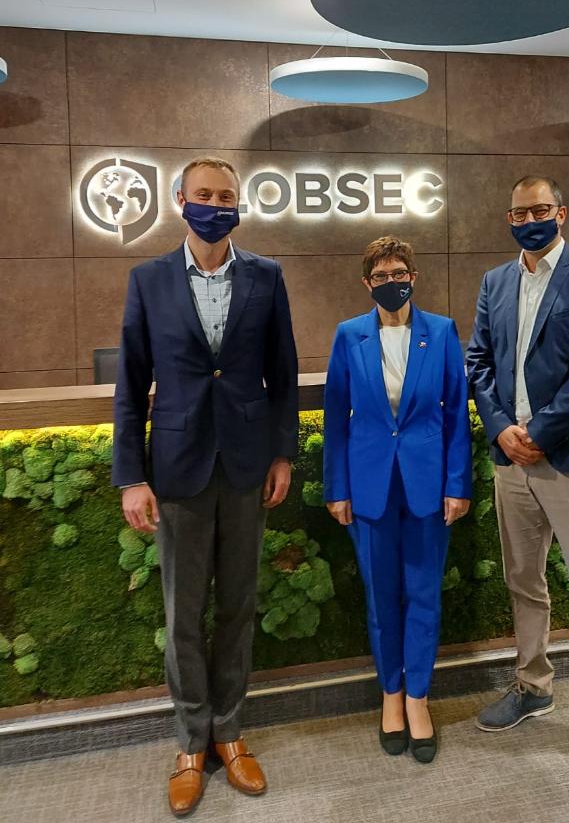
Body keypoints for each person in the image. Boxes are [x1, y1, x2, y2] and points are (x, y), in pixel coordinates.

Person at [112, 157, 298, 818]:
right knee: (183, 612)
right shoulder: (149, 280)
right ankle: (191, 741)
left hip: (246, 467)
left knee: (239, 607)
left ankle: (230, 732)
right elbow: (131, 383)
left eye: (225, 196)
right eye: (204, 195)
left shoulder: (267, 277)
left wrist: (283, 454)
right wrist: (131, 475)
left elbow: (283, 373)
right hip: (178, 468)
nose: (215, 205)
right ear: (180, 201)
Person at [466, 176, 569, 800]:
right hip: (511, 459)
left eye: (539, 210)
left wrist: (539, 431)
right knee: (523, 582)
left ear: (560, 213)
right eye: (519, 212)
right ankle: (533, 687)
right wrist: (502, 429)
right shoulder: (495, 282)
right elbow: (478, 361)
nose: (528, 220)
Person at [323, 236, 472, 764]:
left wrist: (457, 483)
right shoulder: (349, 335)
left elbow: (456, 413)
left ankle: (418, 698)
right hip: (369, 489)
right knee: (381, 599)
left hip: (428, 487)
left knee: (424, 596)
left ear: (414, 276)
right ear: (367, 283)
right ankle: (390, 693)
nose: (392, 283)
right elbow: (336, 417)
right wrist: (337, 488)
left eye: (400, 273)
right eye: (382, 276)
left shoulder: (442, 332)